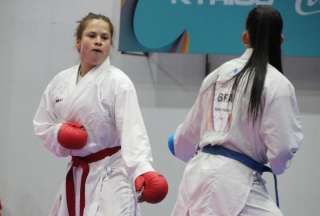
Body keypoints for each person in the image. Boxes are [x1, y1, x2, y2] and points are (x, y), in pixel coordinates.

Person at [168, 6, 303, 216]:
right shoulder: (278, 84)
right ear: (281, 40)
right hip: (233, 183)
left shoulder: (217, 75)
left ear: (245, 37)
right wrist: (278, 166)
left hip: (198, 174)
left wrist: (178, 145)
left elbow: (188, 133)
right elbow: (282, 149)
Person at [33, 12, 168, 216]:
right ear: (78, 42)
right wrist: (59, 134)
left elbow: (133, 131)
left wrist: (143, 170)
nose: (98, 41)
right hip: (77, 172)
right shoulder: (60, 82)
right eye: (92, 35)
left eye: (104, 38)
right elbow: (42, 124)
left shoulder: (118, 82)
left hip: (112, 173)